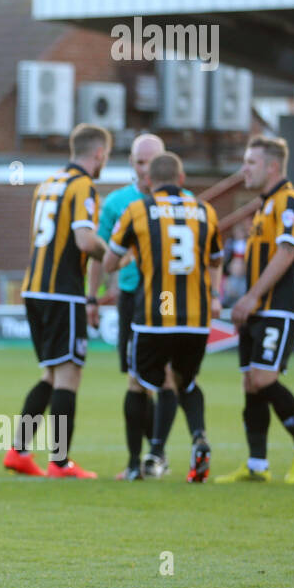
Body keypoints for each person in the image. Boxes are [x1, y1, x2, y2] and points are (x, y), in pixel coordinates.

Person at [103, 153, 222, 482]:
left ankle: (133, 464)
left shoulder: (138, 209)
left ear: (149, 183)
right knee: (185, 380)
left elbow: (110, 262)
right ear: (182, 180)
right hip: (196, 316)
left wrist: (131, 255)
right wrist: (214, 296)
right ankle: (193, 438)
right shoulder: (204, 210)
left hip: (159, 310)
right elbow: (216, 259)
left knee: (138, 383)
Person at [3, 123, 110, 479]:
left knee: (50, 373)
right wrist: (113, 256)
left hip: (34, 288)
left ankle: (19, 451)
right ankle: (60, 461)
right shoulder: (83, 187)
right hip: (62, 291)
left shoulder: (47, 184)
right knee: (69, 375)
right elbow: (84, 240)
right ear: (98, 153)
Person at [88, 133, 196, 480]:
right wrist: (93, 296)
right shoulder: (119, 202)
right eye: (139, 162)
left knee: (165, 377)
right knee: (137, 378)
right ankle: (139, 461)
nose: (146, 170)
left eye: (153, 162)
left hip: (168, 298)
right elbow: (98, 254)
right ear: (132, 164)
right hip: (134, 297)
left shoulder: (187, 203)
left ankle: (155, 455)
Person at [217, 136, 294, 484]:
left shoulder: (289, 201)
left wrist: (251, 297)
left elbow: (286, 254)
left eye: (251, 162)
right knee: (250, 384)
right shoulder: (263, 207)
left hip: (280, 305)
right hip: (258, 307)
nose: (244, 168)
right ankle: (257, 464)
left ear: (273, 166)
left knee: (264, 378)